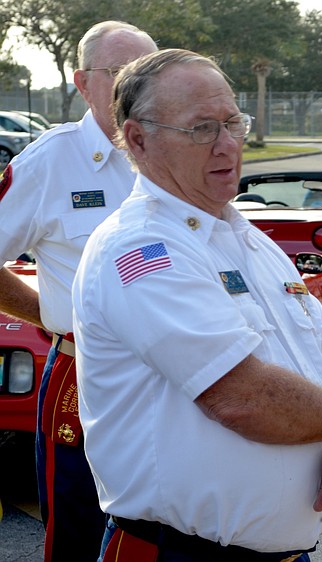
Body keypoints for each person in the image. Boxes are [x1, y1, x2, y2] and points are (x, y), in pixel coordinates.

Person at [71, 47, 322, 562]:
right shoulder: (140, 248)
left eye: (232, 123)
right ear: (138, 139)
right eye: (202, 128)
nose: (227, 145)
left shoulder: (249, 240)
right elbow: (242, 399)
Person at [0, 21, 157, 561]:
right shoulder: (51, 162)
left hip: (183, 377)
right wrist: (46, 313)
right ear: (83, 82)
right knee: (78, 528)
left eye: (148, 72)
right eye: (119, 73)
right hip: (84, 374)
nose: (135, 86)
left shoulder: (179, 155)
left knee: (166, 532)